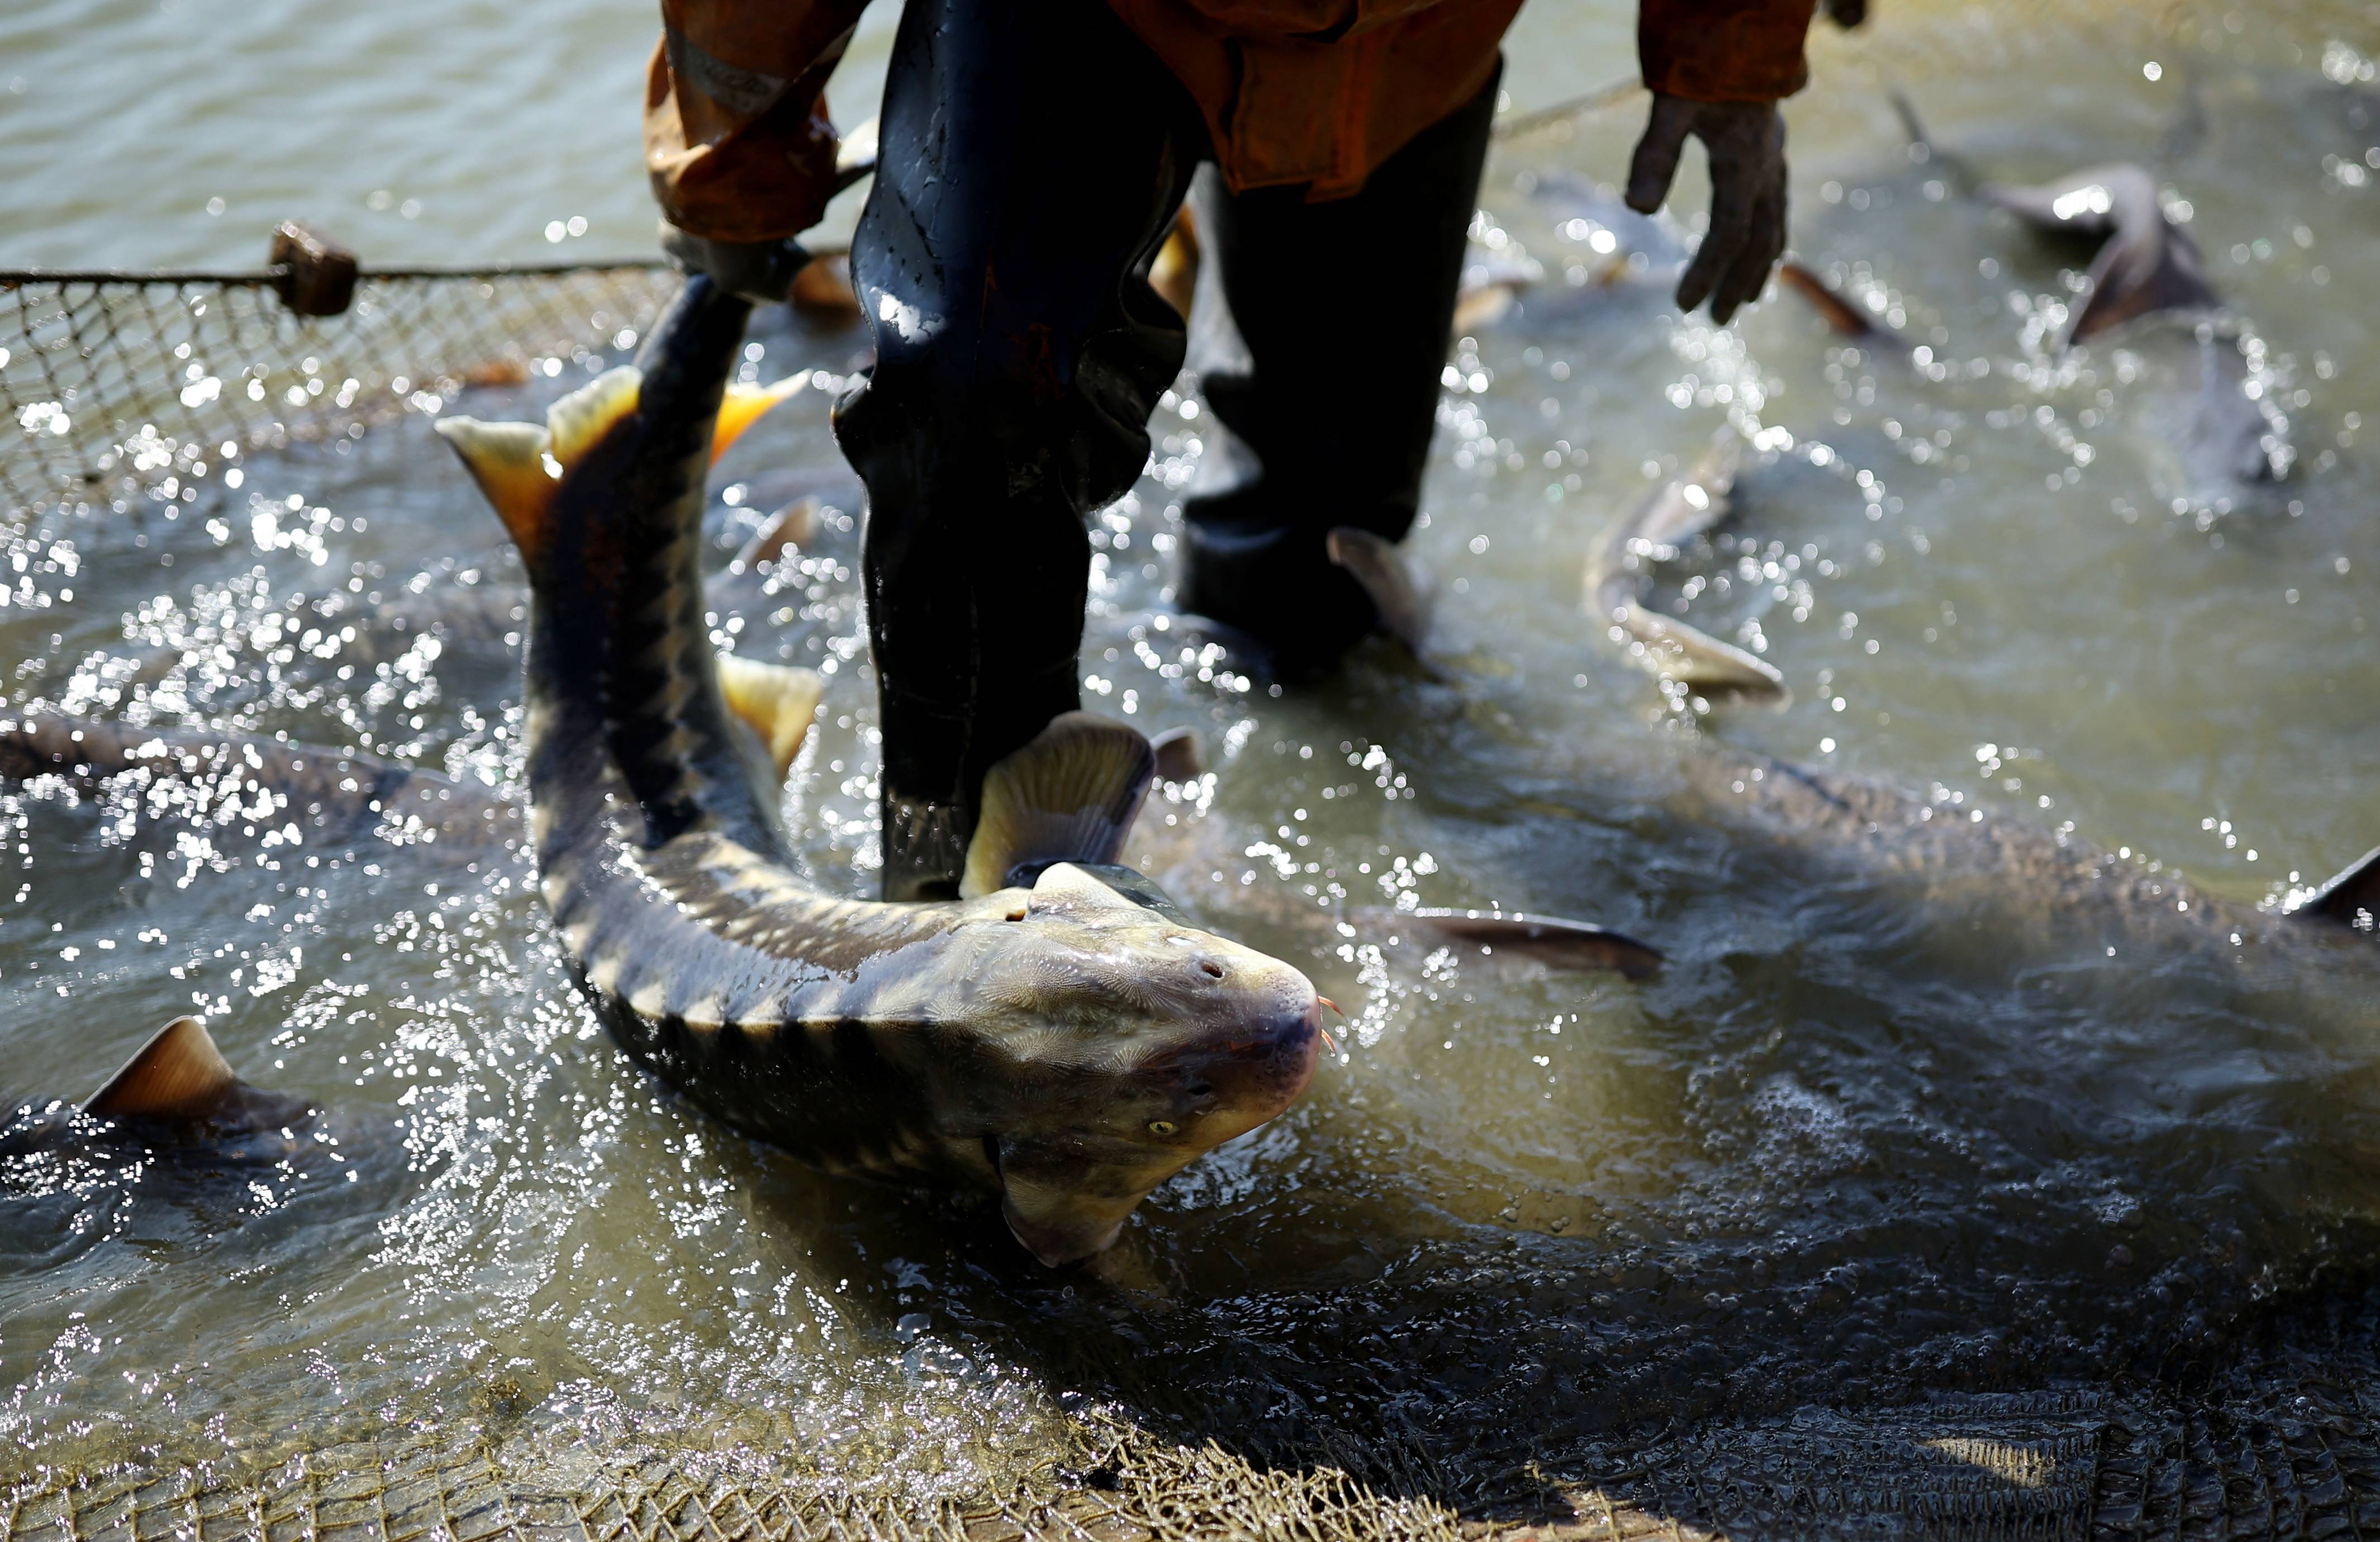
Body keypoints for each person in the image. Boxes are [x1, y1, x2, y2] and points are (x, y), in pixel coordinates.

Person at [645, 0, 1826, 900]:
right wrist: (737, 161)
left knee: (1314, 549)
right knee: (968, 412)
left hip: (1414, 42)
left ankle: (1261, 686)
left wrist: (1729, 56)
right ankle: (953, 903)